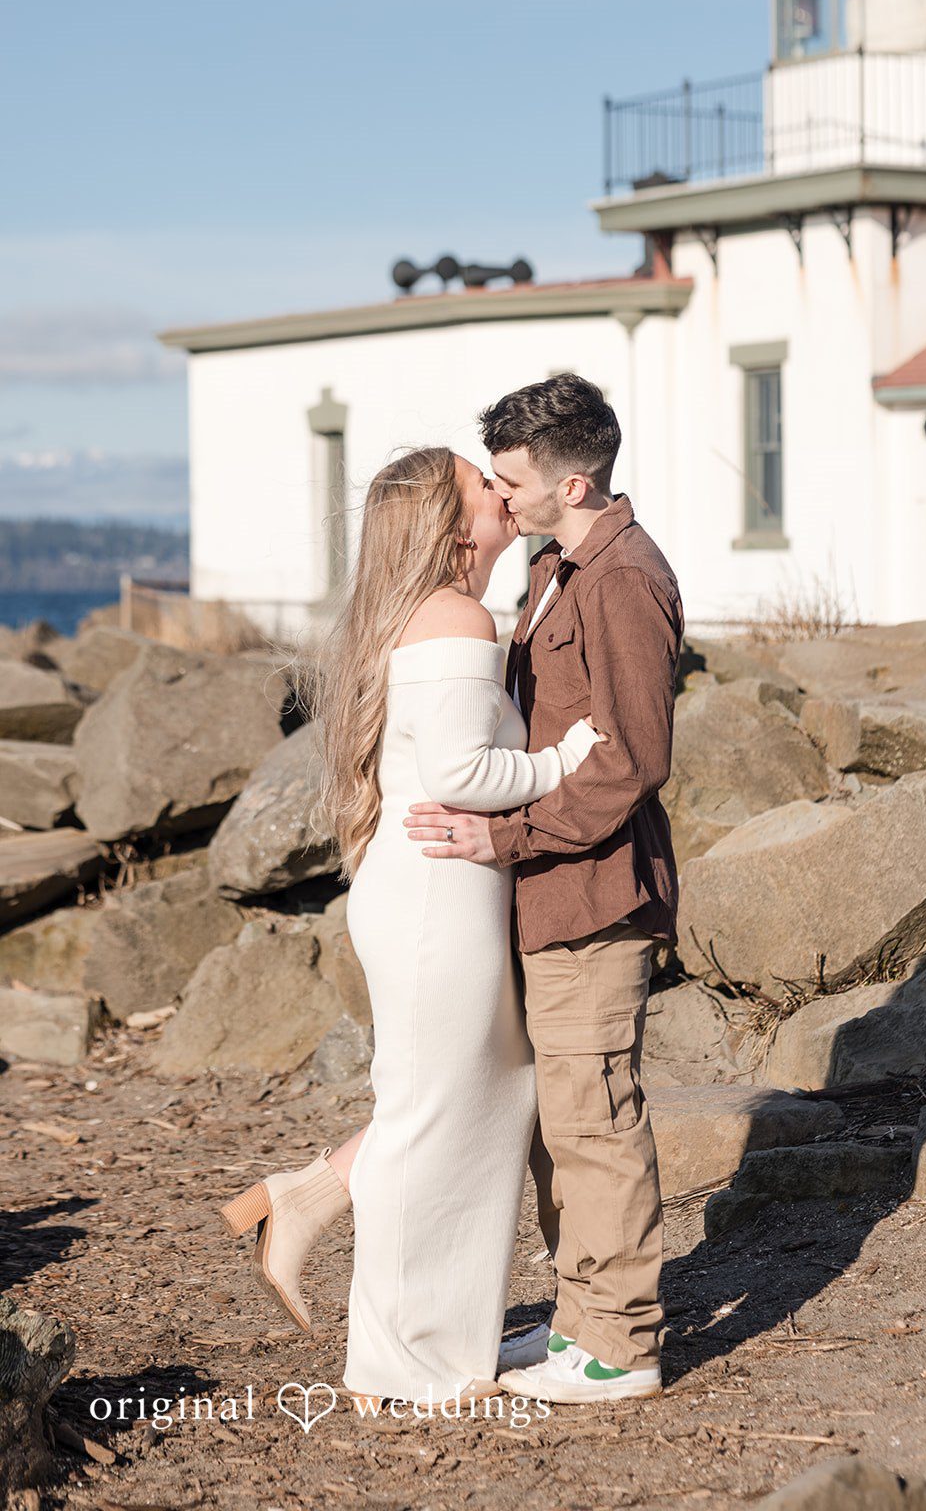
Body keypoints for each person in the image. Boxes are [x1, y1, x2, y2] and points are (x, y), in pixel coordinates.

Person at [218, 444, 601, 1405]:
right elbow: (464, 775)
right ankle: (404, 1361)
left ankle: (385, 1293)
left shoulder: (425, 613)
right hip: (439, 902)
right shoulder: (456, 613)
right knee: (439, 1116)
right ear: (446, 524)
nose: (503, 494)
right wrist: (567, 761)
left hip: (429, 894)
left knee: (464, 1105)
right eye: (484, 486)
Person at [403, 372, 683, 1404]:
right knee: (557, 1124)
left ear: (573, 480)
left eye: (511, 479)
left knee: (593, 1121)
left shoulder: (619, 579)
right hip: (553, 893)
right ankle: (578, 1325)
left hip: (595, 895)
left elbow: (629, 759)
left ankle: (619, 1347)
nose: (497, 493)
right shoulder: (557, 564)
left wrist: (501, 835)